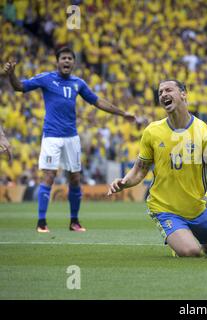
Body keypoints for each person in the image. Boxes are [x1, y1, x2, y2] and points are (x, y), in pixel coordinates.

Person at [3, 46, 136, 233]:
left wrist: (122, 114)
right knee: (49, 176)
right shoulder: (46, 78)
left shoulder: (78, 83)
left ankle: (74, 222)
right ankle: (41, 223)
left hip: (71, 137)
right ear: (57, 62)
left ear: (73, 62)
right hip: (51, 137)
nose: (66, 61)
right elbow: (19, 87)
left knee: (75, 178)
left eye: (70, 59)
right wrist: (11, 75)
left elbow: (98, 101)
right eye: (63, 58)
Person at [108, 80, 207, 257]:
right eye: (160, 92)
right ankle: (182, 240)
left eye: (168, 90)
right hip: (165, 209)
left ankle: (205, 242)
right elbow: (139, 170)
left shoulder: (205, 134)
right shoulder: (152, 131)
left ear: (183, 94)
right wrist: (124, 182)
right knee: (191, 252)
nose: (163, 95)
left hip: (198, 209)